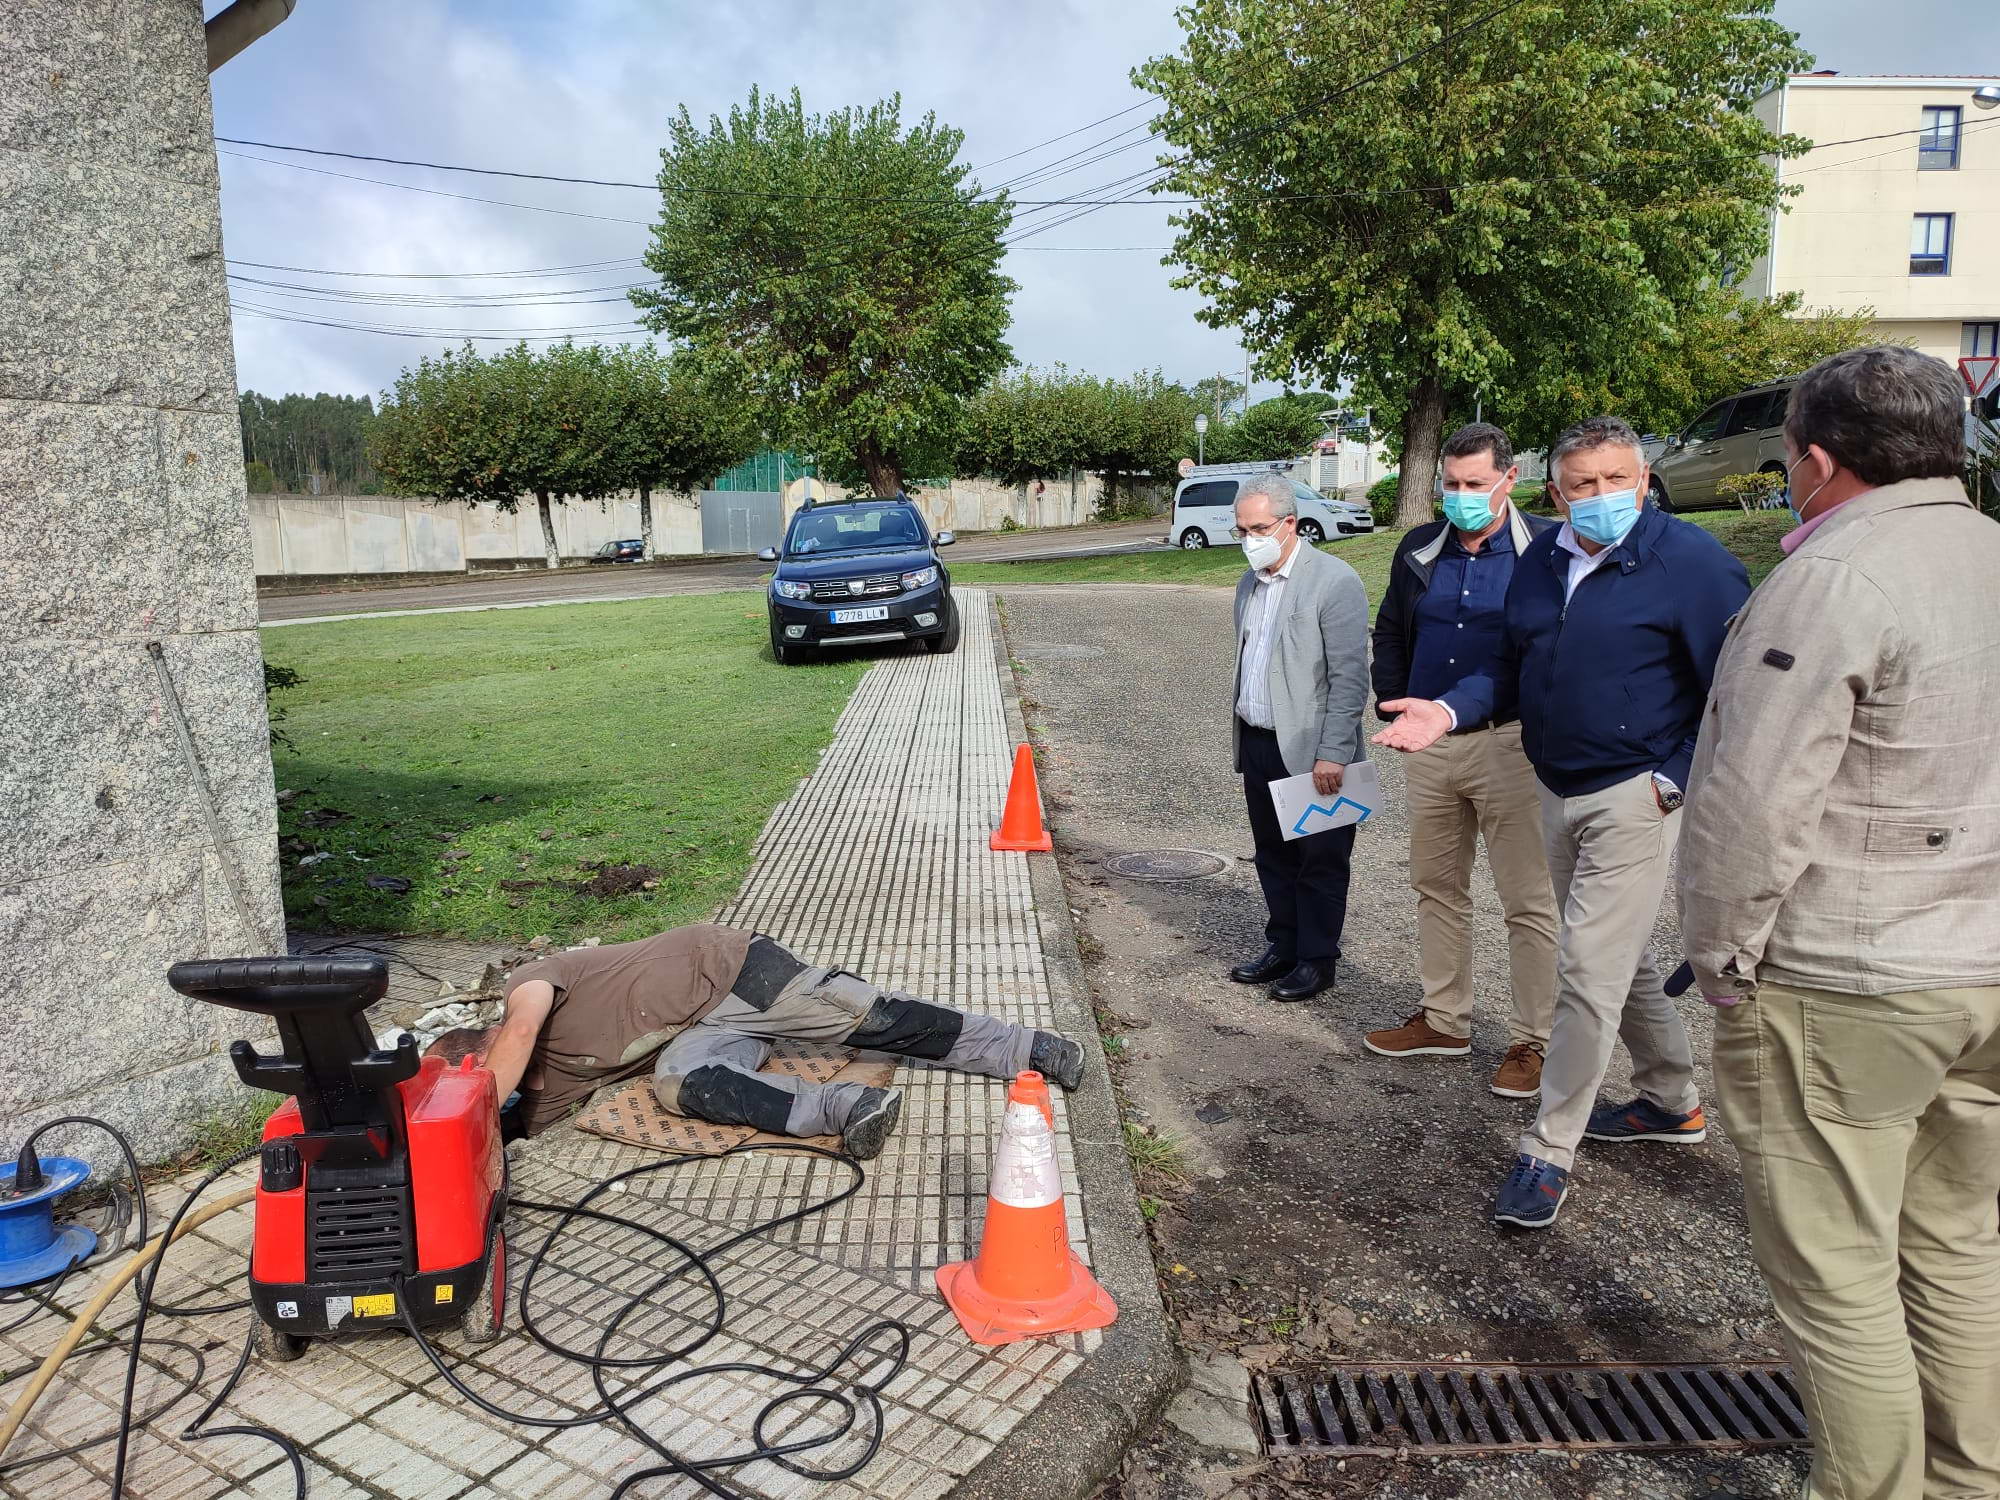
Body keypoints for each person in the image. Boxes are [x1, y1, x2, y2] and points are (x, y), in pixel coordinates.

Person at [1677, 345, 2000, 1497]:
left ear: (1812, 459)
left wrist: (1717, 955)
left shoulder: (1834, 576)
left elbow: (1752, 796)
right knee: (1956, 1247)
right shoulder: (1986, 553)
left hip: (1850, 973)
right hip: (1980, 971)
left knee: (1837, 1273)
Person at [1374, 415, 1749, 1228]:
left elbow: (1734, 693)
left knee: (1585, 967)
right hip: (1557, 785)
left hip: (1636, 795)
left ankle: (1548, 1148)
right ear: (1556, 490)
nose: (1603, 496)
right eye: (1584, 484)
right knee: (1616, 960)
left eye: (1620, 479)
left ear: (1645, 482)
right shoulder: (1544, 559)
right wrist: (1447, 708)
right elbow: (1508, 662)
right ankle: (1672, 1102)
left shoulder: (1693, 565)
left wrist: (1672, 780)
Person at [428, 924, 1085, 1159]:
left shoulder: (528, 987)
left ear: (477, 1057)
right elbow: (506, 1150)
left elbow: (515, 1033)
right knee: (678, 1086)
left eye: (475, 1074)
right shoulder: (544, 1093)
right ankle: (848, 1109)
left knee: (873, 1019)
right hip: (704, 1035)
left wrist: (474, 1109)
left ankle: (1027, 1048)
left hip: (728, 968)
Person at [1365, 423, 1559, 1099]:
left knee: (1528, 901)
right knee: (1436, 885)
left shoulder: (1547, 551)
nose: (1461, 496)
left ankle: (1535, 1040)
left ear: (1510, 478)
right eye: (1450, 484)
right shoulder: (1421, 547)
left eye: (1475, 484)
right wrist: (1394, 702)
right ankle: (1445, 1019)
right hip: (1431, 744)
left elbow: (1544, 653)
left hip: (1509, 744)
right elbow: (1391, 628)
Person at [1226, 473, 1371, 1002]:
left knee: (1320, 859)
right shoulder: (1249, 582)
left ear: (1289, 524)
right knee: (1273, 854)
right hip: (1261, 741)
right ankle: (1283, 944)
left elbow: (1350, 677)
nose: (1248, 539)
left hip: (1315, 752)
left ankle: (1317, 959)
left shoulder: (1333, 581)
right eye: (1241, 529)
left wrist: (1333, 752)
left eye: (1258, 528)